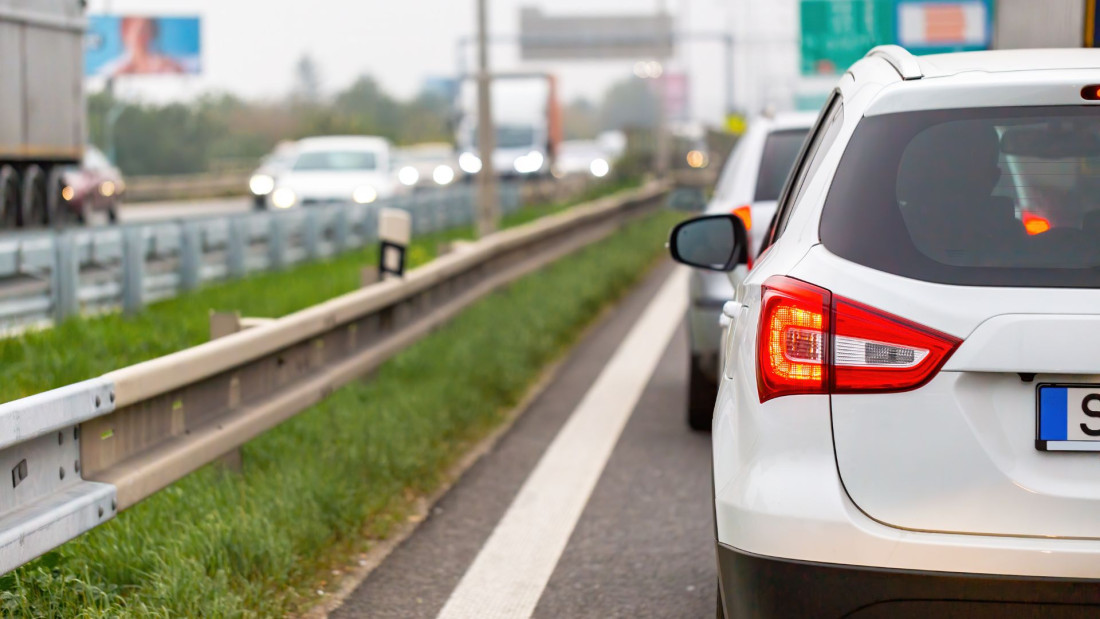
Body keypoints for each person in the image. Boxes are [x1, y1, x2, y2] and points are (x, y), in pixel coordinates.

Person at [897, 121, 1026, 266]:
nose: (951, 178)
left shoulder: (889, 238)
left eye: (960, 170)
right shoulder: (1013, 243)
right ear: (994, 178)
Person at [111, 17, 184, 76]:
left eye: (146, 30)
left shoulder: (167, 64)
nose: (144, 37)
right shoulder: (116, 69)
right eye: (140, 33)